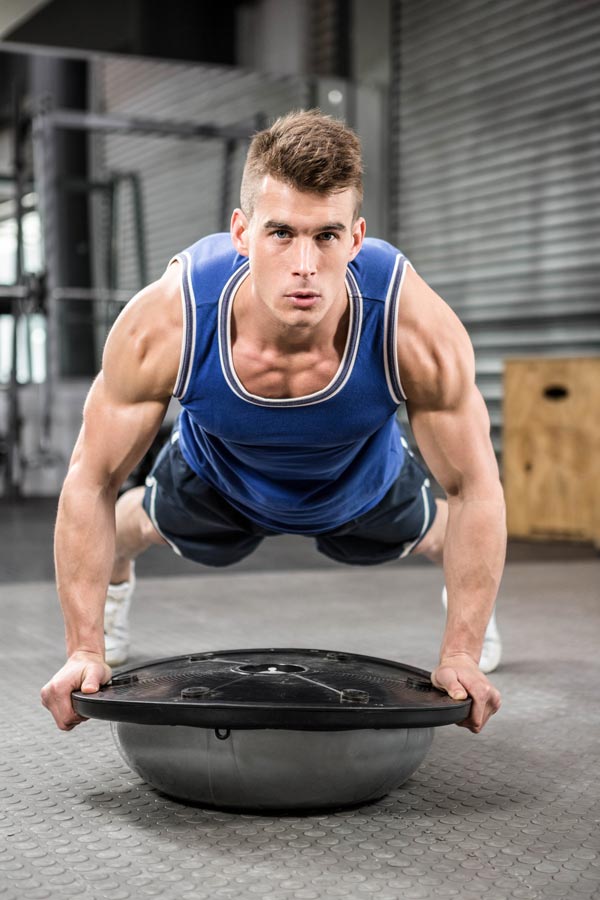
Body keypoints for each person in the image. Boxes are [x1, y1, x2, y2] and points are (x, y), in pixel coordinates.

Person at [41, 110, 504, 734]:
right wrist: (83, 649)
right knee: (126, 526)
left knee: (450, 532)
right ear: (241, 231)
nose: (305, 263)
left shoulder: (411, 326)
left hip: (359, 481)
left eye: (327, 236)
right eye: (281, 232)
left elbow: (475, 488)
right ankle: (114, 602)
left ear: (358, 238)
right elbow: (90, 480)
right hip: (216, 478)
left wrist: (460, 654)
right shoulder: (168, 324)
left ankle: (474, 611)